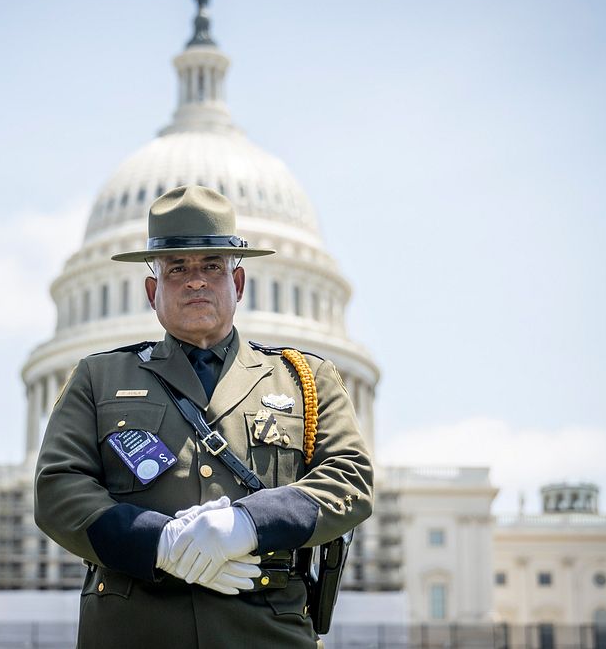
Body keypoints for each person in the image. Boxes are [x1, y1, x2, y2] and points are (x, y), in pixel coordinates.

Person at [34, 185, 373, 648]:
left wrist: (248, 524)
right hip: (134, 631)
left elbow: (349, 479)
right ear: (153, 291)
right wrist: (161, 543)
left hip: (266, 632)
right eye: (178, 268)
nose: (196, 280)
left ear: (237, 284)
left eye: (212, 266)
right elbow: (57, 489)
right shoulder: (98, 378)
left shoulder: (305, 380)